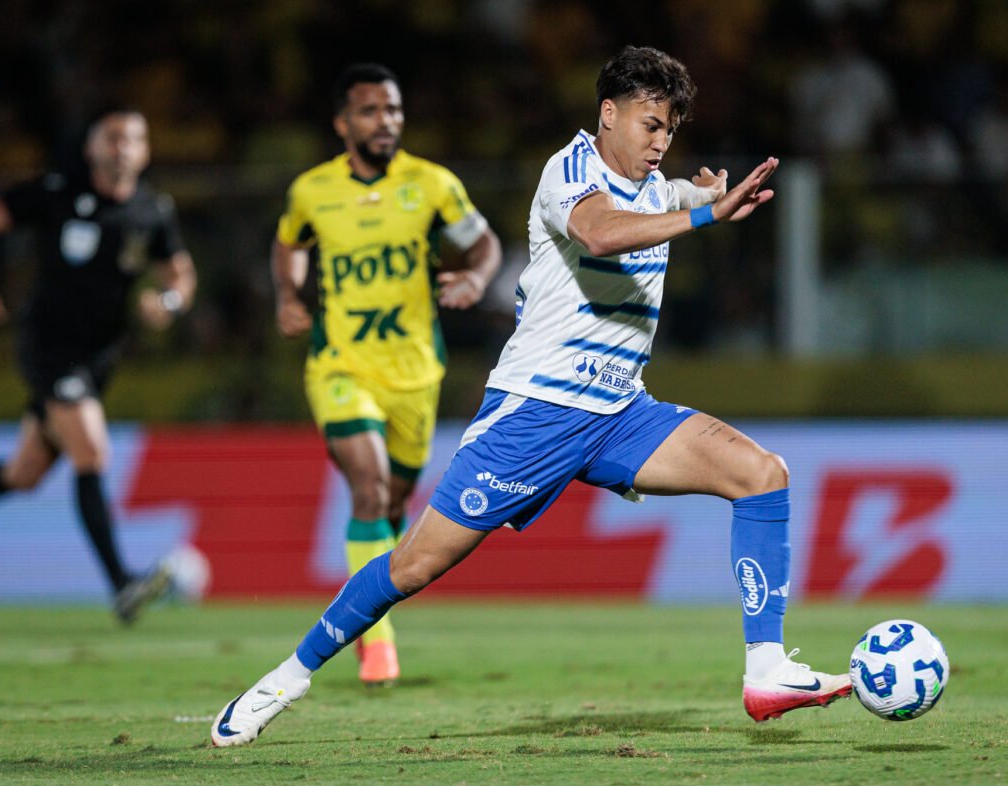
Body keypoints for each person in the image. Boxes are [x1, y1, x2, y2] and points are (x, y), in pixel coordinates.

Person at [210, 46, 850, 747]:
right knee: (415, 564)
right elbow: (601, 232)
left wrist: (704, 196)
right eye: (648, 123)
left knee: (763, 475)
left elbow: (672, 199)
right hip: (536, 413)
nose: (659, 140)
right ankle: (288, 677)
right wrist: (703, 214)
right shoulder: (568, 171)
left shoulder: (656, 186)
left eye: (669, 128)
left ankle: (766, 671)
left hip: (619, 414)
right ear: (608, 115)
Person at [271, 63, 501, 686]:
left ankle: (370, 595)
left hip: (415, 374)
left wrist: (477, 277)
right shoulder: (311, 191)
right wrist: (289, 297)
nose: (386, 121)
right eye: (371, 111)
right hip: (340, 366)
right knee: (368, 488)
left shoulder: (431, 185)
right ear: (344, 123)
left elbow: (482, 244)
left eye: (394, 110)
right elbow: (290, 242)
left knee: (394, 501)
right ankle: (376, 640)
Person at [0, 108, 196, 624]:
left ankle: (122, 583)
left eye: (132, 140)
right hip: (48, 346)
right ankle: (122, 584)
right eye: (112, 139)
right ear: (92, 149)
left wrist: (167, 303)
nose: (122, 148)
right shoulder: (58, 192)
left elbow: (181, 274)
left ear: (145, 152)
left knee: (24, 473)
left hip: (99, 358)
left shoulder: (152, 211)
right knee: (92, 450)